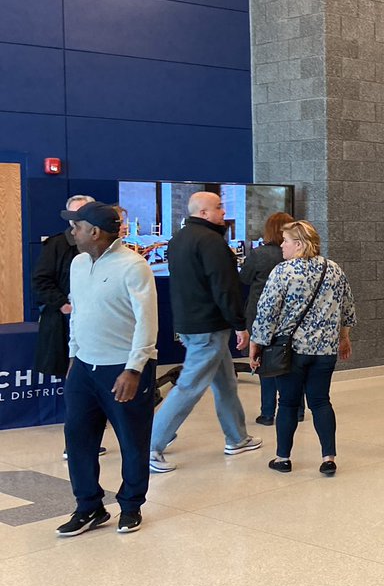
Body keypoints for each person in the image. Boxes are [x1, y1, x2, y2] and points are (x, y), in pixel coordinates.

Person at [55, 202, 158, 536]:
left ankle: (131, 506)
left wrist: (134, 369)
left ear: (95, 232)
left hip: (123, 368)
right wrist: (73, 356)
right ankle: (89, 507)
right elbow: (80, 314)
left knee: (132, 440)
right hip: (84, 366)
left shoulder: (134, 266)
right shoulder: (78, 263)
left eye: (77, 226)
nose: (73, 231)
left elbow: (147, 322)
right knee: (78, 439)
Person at [149, 191, 261, 473]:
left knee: (225, 383)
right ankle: (149, 445)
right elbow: (225, 288)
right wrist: (239, 324)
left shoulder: (179, 239)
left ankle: (237, 438)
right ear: (203, 212)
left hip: (192, 323)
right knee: (189, 386)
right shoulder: (212, 243)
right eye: (219, 207)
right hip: (208, 327)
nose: (224, 212)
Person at [249, 221, 355, 476]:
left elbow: (266, 312)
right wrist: (344, 337)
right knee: (320, 402)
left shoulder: (283, 272)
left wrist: (257, 343)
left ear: (298, 244)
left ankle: (283, 458)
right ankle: (328, 458)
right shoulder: (334, 270)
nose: (282, 245)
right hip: (325, 351)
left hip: (291, 351)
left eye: (285, 240)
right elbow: (348, 309)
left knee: (286, 403)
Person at [33, 195, 109, 460]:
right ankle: (76, 444)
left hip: (99, 328)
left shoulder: (106, 250)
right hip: (66, 327)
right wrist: (63, 304)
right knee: (75, 384)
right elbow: (41, 282)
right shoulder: (56, 245)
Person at [240, 211, 300, 426]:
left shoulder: (258, 254)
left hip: (260, 315)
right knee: (292, 360)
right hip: (290, 315)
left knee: (264, 362)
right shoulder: (297, 255)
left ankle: (267, 413)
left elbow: (244, 278)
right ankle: (298, 410)